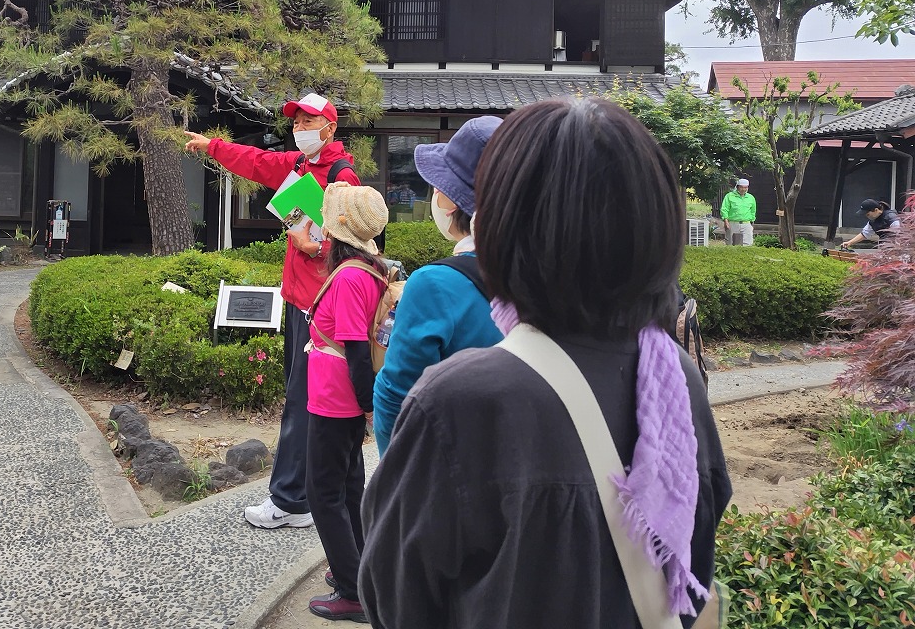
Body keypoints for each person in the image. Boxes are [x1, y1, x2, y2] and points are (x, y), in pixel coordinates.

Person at [359, 98, 731, 629]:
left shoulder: (458, 402)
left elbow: (396, 599)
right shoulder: (676, 376)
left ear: (502, 225)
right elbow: (696, 553)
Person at [184, 92, 361, 529]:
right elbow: (257, 161)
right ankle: (302, 495)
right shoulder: (299, 167)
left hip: (321, 309)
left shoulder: (343, 178)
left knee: (303, 403)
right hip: (300, 302)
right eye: (296, 121)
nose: (300, 128)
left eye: (308, 121)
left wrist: (317, 246)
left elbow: (357, 244)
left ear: (330, 128)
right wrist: (212, 146)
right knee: (300, 400)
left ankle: (290, 500)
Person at [372, 115, 503, 456]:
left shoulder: (436, 285)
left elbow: (396, 398)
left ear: (454, 202)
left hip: (454, 469)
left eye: (439, 186)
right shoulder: (548, 276)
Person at [303, 183, 389, 623]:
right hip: (342, 400)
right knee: (347, 486)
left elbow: (356, 351)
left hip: (337, 401)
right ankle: (358, 574)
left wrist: (366, 406)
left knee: (323, 493)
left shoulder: (351, 276)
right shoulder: (368, 269)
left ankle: (354, 593)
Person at [720, 178, 756, 245]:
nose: (743, 189)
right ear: (737, 187)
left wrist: (752, 222)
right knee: (731, 243)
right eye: (741, 187)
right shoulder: (729, 196)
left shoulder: (751, 197)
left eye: (745, 187)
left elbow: (753, 211)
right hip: (733, 223)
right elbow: (724, 209)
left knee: (747, 244)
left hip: (746, 223)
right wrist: (726, 221)